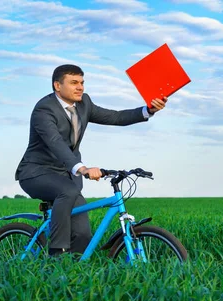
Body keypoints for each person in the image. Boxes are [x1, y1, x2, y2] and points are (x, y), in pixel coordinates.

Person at [15, 64, 167, 256]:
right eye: (74, 83)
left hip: (66, 177)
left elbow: (115, 117)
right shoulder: (44, 109)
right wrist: (82, 168)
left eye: (82, 82)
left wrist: (148, 110)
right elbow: (55, 143)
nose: (80, 87)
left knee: (82, 232)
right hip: (37, 173)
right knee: (68, 191)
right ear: (57, 86)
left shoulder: (84, 103)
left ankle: (74, 271)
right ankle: (56, 253)